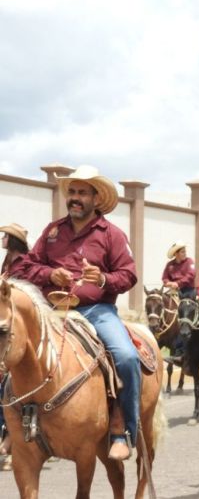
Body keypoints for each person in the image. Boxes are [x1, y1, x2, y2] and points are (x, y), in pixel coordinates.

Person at [16, 165, 139, 460]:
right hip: (51, 311)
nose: (75, 197)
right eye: (72, 191)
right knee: (11, 350)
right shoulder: (52, 231)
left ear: (96, 199)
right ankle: (9, 428)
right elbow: (24, 267)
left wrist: (104, 279)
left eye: (82, 192)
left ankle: (123, 431)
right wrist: (49, 274)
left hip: (97, 310)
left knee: (126, 356)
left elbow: (129, 275)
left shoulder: (112, 234)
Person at [0, 223, 29, 462]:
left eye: (5, 236)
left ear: (13, 240)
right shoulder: (7, 262)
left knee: (8, 377)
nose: (2, 239)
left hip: (19, 323)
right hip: (5, 319)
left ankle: (10, 437)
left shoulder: (24, 264)